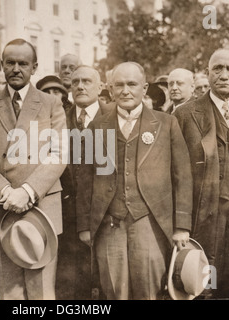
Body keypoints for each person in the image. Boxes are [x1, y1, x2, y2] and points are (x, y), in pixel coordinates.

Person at [76, 61, 193, 300]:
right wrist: (85, 225)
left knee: (148, 289)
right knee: (113, 290)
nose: (125, 91)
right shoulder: (96, 127)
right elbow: (85, 179)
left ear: (145, 88)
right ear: (109, 89)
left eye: (132, 84)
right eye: (119, 85)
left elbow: (182, 176)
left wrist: (181, 226)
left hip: (149, 222)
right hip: (109, 223)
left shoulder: (166, 123)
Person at [0, 38, 67, 300]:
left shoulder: (51, 104)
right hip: (0, 207)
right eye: (9, 62)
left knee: (42, 291)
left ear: (34, 67)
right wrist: (5, 192)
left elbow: (58, 154)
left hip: (41, 206)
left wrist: (27, 191)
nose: (15, 68)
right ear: (1, 65)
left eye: (23, 63)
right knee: (9, 292)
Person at [174, 48, 229, 299]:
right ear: (207, 73)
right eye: (217, 68)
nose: (224, 75)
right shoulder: (185, 114)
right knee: (205, 284)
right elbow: (175, 175)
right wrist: (181, 224)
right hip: (204, 218)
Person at [56, 65, 108, 300]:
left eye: (87, 81)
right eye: (75, 82)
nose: (80, 86)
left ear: (100, 87)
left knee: (107, 282)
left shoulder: (114, 116)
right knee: (72, 284)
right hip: (67, 215)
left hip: (105, 214)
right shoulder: (58, 120)